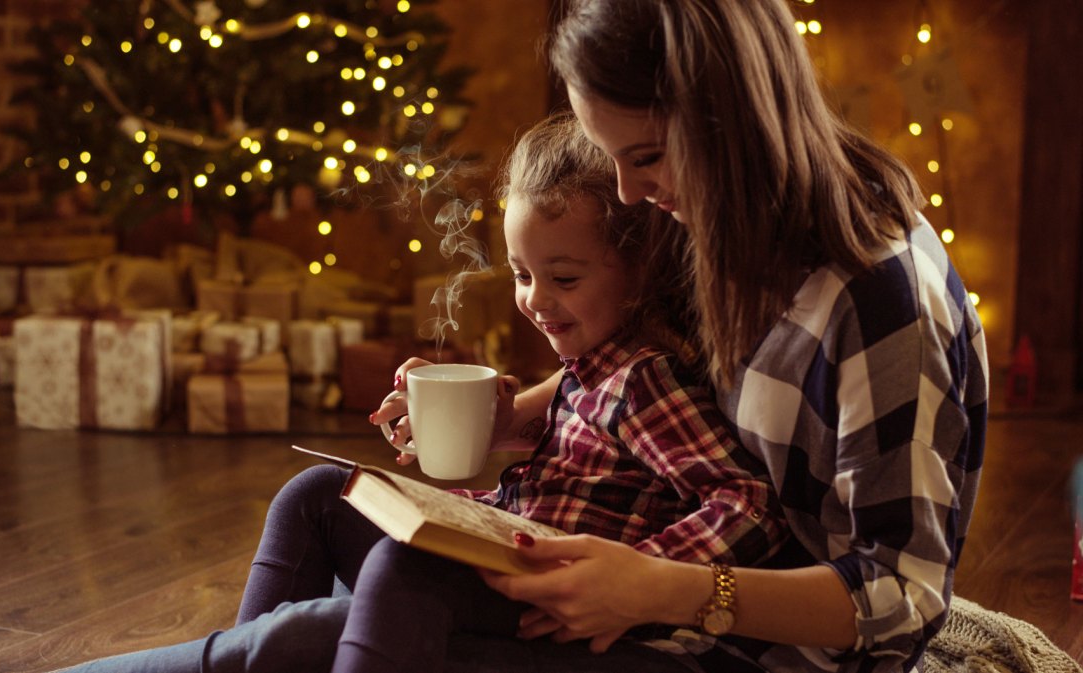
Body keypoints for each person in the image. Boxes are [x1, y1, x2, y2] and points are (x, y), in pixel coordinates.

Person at [55, 111, 786, 673]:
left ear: (640, 273)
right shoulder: (593, 368)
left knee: (364, 594)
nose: (535, 300)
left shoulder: (645, 377)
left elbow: (749, 502)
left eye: (564, 278)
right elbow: (603, 465)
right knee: (317, 495)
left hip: (591, 631)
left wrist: (641, 581)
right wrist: (500, 441)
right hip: (515, 569)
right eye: (522, 274)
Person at [438, 1, 987, 672]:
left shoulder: (881, 302)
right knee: (323, 509)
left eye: (644, 156)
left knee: (344, 625)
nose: (628, 192)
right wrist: (509, 417)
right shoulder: (714, 204)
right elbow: (646, 365)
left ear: (732, 118)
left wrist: (662, 589)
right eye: (613, 158)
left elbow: (904, 596)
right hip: (668, 608)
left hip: (763, 652)